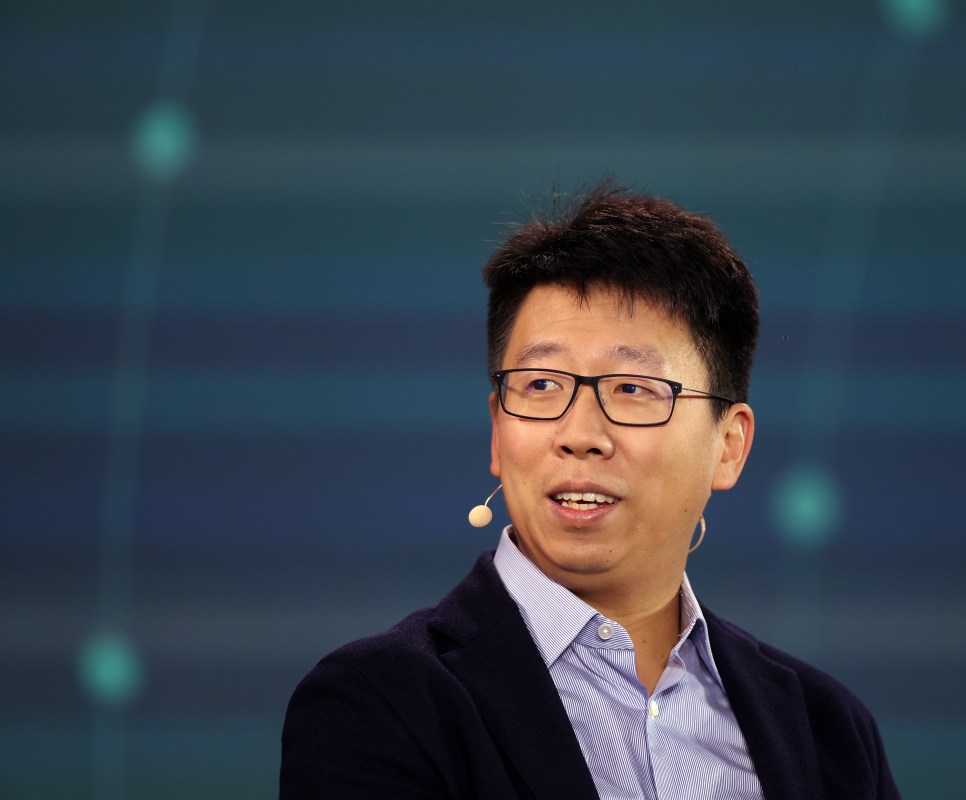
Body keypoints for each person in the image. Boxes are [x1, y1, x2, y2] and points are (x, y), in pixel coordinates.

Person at [280, 184, 900, 799]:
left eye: (633, 389)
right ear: (498, 430)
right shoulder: (380, 705)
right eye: (542, 385)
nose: (579, 435)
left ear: (729, 444)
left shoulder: (829, 733)